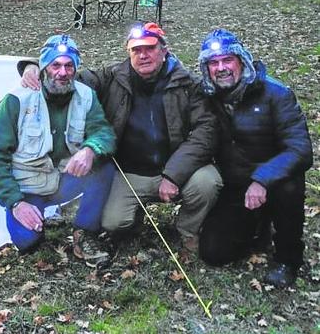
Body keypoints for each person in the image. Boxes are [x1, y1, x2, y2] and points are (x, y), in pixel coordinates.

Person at [20, 23, 222, 252]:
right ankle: (133, 221)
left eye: (150, 48)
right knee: (112, 223)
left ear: (164, 51)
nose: (143, 55)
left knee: (208, 181)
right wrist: (33, 66)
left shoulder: (188, 84)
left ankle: (188, 229)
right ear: (128, 53)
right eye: (136, 50)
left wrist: (174, 175)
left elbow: (205, 133)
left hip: (178, 171)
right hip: (130, 174)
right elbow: (66, 78)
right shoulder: (112, 76)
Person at [0, 35, 117, 265]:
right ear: (44, 67)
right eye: (55, 65)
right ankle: (28, 216)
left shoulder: (86, 95)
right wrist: (15, 202)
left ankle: (84, 231)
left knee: (104, 167)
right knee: (27, 242)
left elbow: (104, 133)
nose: (62, 73)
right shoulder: (17, 100)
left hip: (65, 180)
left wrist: (90, 149)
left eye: (69, 65)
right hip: (29, 188)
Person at [197, 29, 313, 287]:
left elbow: (300, 149)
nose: (221, 68)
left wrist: (262, 180)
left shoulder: (276, 94)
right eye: (213, 63)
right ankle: (256, 228)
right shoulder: (206, 97)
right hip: (235, 186)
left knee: (290, 184)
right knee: (214, 253)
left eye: (227, 60)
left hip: (273, 182)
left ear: (242, 61)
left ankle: (288, 257)